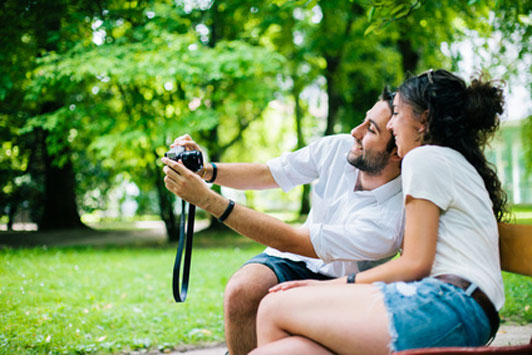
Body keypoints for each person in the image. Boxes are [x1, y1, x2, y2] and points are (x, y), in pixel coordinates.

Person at [250, 69, 507, 354]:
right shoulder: (447, 160)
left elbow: (414, 264)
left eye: (396, 114)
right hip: (458, 308)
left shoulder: (424, 158)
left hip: (450, 306)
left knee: (274, 306)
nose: (393, 127)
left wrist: (336, 286)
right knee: (291, 349)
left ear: (423, 121)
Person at [162, 90, 404, 355]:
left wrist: (207, 200)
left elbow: (291, 240)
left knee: (285, 319)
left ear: (397, 152)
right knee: (242, 290)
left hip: (343, 285)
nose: (355, 132)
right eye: (363, 120)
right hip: (292, 259)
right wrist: (206, 171)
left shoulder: (390, 220)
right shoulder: (339, 148)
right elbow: (268, 173)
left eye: (370, 130)